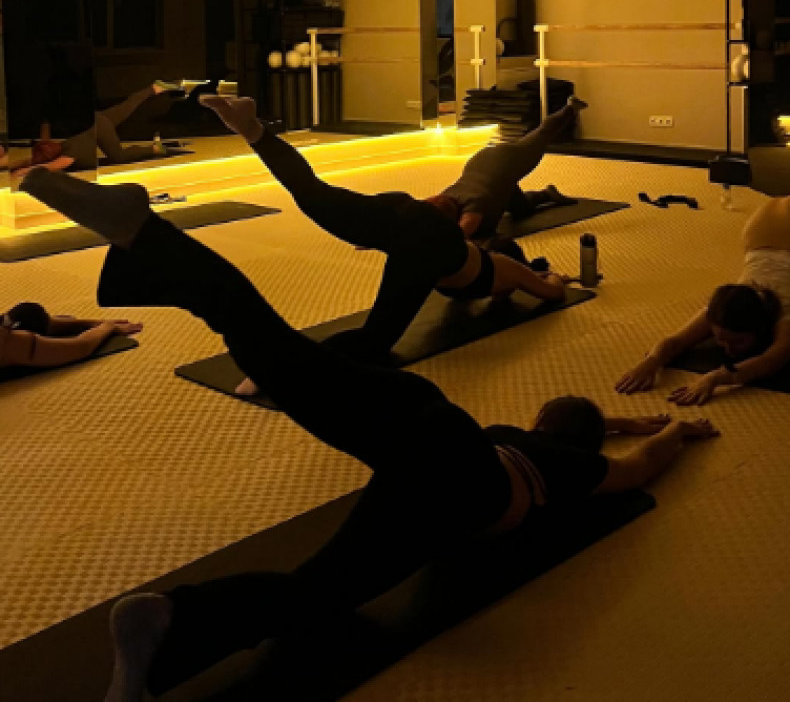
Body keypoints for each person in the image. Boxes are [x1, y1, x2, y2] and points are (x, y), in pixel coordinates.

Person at [16, 167, 719, 702]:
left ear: (543, 424)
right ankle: (174, 618)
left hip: (426, 439)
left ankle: (167, 619)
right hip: (451, 487)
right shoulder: (573, 472)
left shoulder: (520, 435)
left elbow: (591, 432)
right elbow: (640, 468)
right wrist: (678, 436)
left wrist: (627, 420)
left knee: (285, 363)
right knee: (321, 588)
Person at [199, 95, 572, 371]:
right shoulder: (505, 268)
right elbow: (552, 293)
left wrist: (376, 234)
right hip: (422, 242)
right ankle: (279, 369)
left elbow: (431, 230)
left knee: (314, 194)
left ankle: (252, 130)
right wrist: (550, 275)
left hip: (403, 213)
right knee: (375, 339)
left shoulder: (477, 252)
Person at [615, 195, 790, 405]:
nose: (728, 349)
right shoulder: (721, 309)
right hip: (764, 229)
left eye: (738, 341)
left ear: (760, 328)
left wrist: (715, 378)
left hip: (770, 235)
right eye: (721, 339)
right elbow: (676, 341)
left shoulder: (784, 315)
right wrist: (651, 362)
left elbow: (770, 361)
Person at [425, 96, 588, 241]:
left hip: (502, 162)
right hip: (482, 167)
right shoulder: (444, 196)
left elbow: (460, 238)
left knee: (541, 135)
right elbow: (419, 208)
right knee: (521, 210)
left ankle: (570, 108)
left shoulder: (474, 207)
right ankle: (547, 194)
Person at [11, 81, 182, 176]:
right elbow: (39, 161)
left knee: (119, 157)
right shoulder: (65, 148)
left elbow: (48, 167)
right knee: (127, 106)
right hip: (97, 120)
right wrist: (18, 166)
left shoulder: (68, 156)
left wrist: (23, 171)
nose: (49, 144)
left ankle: (154, 148)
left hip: (100, 126)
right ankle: (154, 88)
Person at [0, 299, 142, 371]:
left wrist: (91, 323)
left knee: (28, 313)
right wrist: (107, 326)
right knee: (29, 317)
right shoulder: (13, 344)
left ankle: (56, 325)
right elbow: (81, 347)